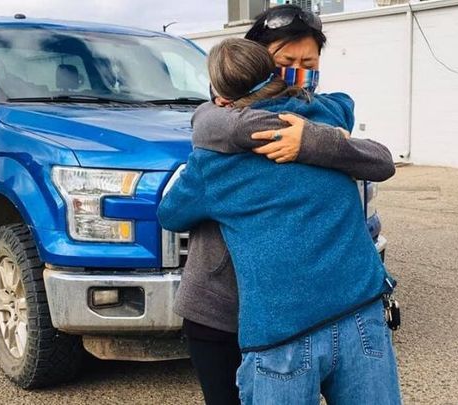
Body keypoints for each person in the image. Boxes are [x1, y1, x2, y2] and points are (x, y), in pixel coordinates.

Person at [171, 5, 399, 405]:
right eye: (286, 62)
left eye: (307, 62)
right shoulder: (219, 128)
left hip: (287, 320)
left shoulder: (318, 122)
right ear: (259, 61)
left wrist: (312, 141)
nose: (298, 72)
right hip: (222, 309)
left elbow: (380, 159)